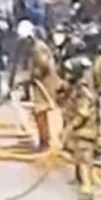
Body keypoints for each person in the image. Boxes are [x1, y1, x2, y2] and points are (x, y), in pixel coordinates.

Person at [13, 20, 62, 150]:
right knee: (39, 112)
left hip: (46, 83)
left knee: (39, 112)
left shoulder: (37, 48)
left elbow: (43, 66)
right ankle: (45, 140)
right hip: (42, 82)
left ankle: (45, 142)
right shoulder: (34, 48)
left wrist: (30, 77)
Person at [64, 54, 99, 200]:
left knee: (84, 164)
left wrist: (69, 128)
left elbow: (82, 112)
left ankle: (86, 193)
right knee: (80, 164)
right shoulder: (77, 88)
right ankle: (84, 192)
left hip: (84, 134)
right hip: (81, 135)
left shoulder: (82, 91)